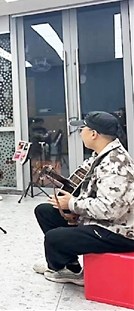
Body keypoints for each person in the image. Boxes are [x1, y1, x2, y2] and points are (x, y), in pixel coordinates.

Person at [33, 111, 134, 286]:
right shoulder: (100, 155)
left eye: (83, 128)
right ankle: (69, 266)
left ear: (94, 134)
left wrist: (72, 204)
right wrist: (72, 205)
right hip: (106, 221)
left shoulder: (115, 164)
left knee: (54, 238)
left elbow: (111, 210)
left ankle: (62, 269)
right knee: (46, 212)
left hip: (120, 232)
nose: (80, 133)